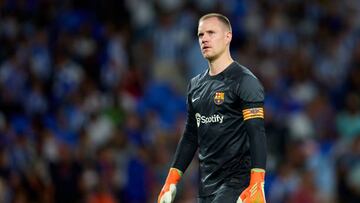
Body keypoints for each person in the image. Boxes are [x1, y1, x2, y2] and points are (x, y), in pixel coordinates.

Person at [158, 13, 267, 203]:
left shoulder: (245, 81)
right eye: (201, 35)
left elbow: (256, 132)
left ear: (228, 37)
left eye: (211, 33)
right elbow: (191, 136)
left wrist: (258, 183)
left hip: (237, 184)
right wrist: (171, 181)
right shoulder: (195, 85)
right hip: (206, 187)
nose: (204, 39)